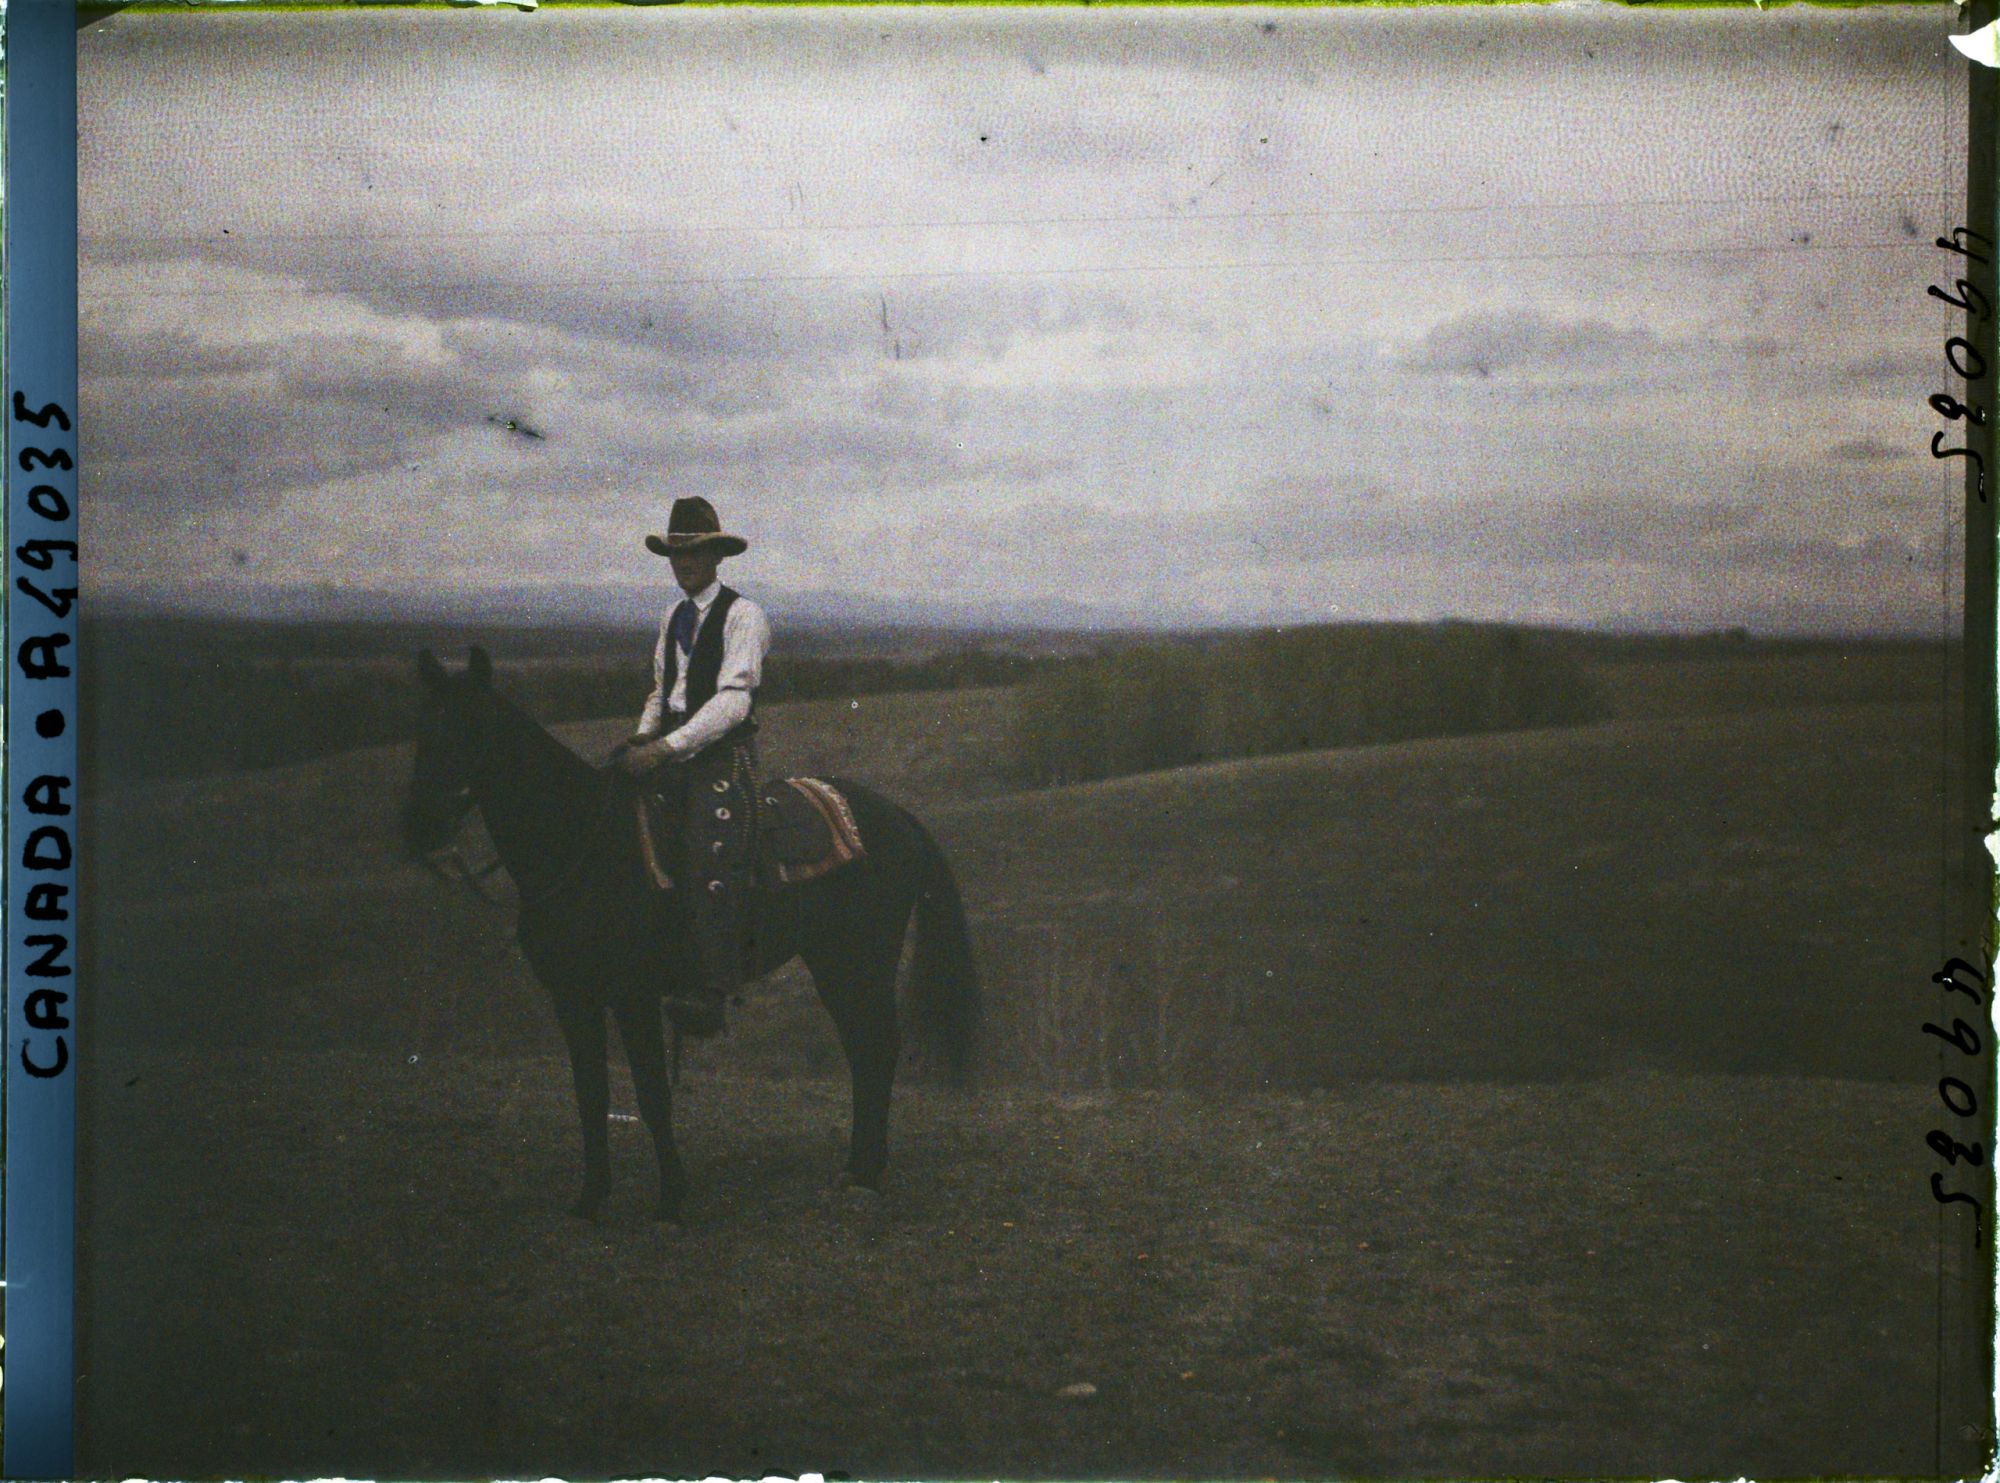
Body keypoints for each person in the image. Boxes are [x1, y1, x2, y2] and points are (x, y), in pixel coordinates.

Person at [614, 496, 772, 1036]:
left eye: (694, 553)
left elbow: (733, 704)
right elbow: (663, 690)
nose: (683, 564)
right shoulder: (673, 617)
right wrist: (642, 736)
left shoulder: (744, 616)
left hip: (723, 756)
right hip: (674, 749)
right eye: (675, 554)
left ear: (716, 557)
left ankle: (713, 983)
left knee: (711, 844)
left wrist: (666, 749)